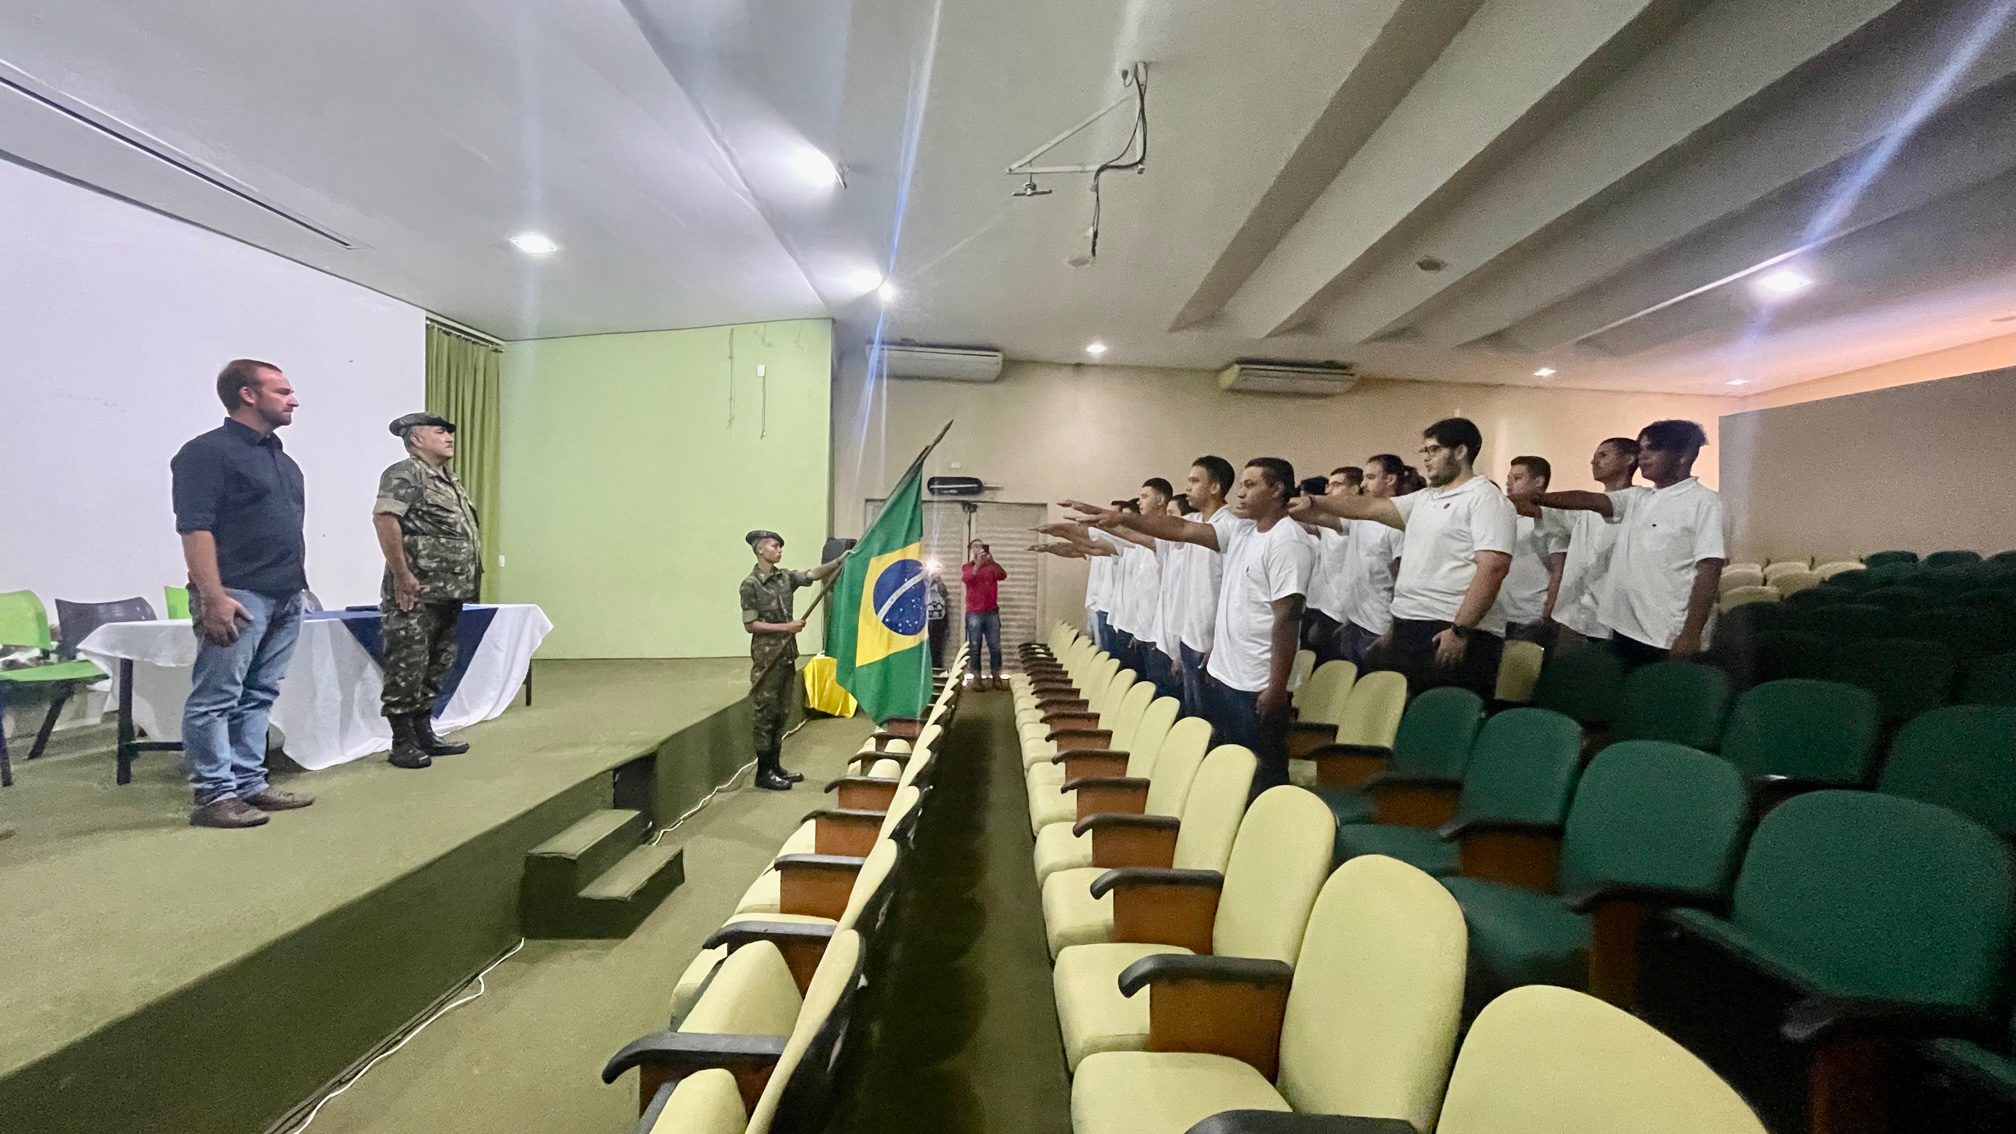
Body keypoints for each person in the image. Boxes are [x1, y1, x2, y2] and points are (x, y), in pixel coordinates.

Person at [1069, 457, 1314, 795]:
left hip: (1257, 680)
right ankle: (1232, 830)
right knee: (1231, 764)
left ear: (1277, 489)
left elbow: (1287, 619)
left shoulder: (1288, 542)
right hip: (1228, 671)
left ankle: (1275, 837)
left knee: (1263, 773)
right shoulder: (1243, 531)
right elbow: (1182, 529)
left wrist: (1276, 687)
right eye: (1241, 484)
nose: (1239, 494)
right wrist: (1119, 519)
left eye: (1250, 485)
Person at [169, 359, 314, 828]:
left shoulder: (282, 460)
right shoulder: (206, 453)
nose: (293, 399)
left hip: (286, 595)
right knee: (216, 697)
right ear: (247, 395)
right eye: (282, 391)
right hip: (237, 593)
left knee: (260, 693)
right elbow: (196, 529)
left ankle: (249, 783)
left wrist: (300, 589)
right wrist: (212, 597)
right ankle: (214, 795)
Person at [1295, 417, 1515, 698]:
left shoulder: (1484, 498)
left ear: (1460, 451)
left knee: (1441, 719)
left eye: (1434, 450)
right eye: (1425, 451)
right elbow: (1370, 507)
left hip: (1451, 629)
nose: (1426, 458)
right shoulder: (1425, 498)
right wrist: (1314, 501)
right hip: (1410, 624)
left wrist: (1461, 630)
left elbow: (1494, 568)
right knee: (1403, 716)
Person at [1516, 420, 1725, 667]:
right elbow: (1592, 500)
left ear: (1683, 456)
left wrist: (1690, 634)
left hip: (1666, 635)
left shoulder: (1705, 502)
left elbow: (1709, 571)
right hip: (1625, 630)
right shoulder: (1640, 497)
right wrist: (1538, 498)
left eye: (1653, 449)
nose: (1642, 456)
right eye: (1641, 449)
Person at [372, 413, 483, 769]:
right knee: (408, 663)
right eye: (440, 432)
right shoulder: (406, 473)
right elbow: (385, 519)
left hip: (448, 591)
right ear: (416, 439)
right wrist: (402, 575)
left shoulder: (450, 482)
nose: (449, 436)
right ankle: (402, 741)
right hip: (415, 591)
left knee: (437, 664)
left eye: (450, 432)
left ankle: (424, 731)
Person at [741, 531, 847, 789]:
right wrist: (786, 627)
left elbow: (811, 574)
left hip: (787, 654)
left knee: (781, 713)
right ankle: (763, 772)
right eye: (774, 546)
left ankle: (776, 766)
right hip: (768, 658)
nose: (779, 550)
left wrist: (838, 562)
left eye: (780, 546)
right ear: (760, 550)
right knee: (765, 715)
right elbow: (750, 624)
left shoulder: (784, 577)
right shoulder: (750, 584)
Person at [1526, 437, 1643, 646]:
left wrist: (1536, 496)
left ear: (1629, 459)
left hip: (1616, 622)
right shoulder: (1583, 512)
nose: (1594, 462)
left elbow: (1589, 501)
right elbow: (1541, 512)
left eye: (1603, 455)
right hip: (1575, 618)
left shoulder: (1641, 501)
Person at [1312, 453, 1406, 664]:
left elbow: (1402, 583)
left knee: (1372, 690)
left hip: (1377, 626)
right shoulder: (1361, 516)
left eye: (1370, 477)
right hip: (1352, 621)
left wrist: (1392, 630)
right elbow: (1319, 519)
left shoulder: (1396, 524)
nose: (1364, 484)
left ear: (1390, 480)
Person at [1496, 456, 1566, 642]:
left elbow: (1558, 569)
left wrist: (1548, 612)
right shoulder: (1505, 518)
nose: (1509, 484)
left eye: (1517, 478)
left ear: (1538, 481)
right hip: (1498, 616)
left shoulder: (1549, 520)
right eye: (1509, 478)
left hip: (1530, 618)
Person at [962, 539, 1009, 689]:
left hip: (991, 612)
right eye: (976, 546)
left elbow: (1003, 575)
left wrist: (992, 561)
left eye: (981, 546)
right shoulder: (967, 567)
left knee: (995, 646)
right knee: (975, 646)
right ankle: (976, 678)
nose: (979, 549)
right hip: (974, 613)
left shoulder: (991, 568)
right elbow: (969, 579)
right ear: (970, 550)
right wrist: (979, 565)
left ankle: (996, 677)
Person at [924, 561, 951, 672]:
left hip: (939, 618)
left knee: (937, 646)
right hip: (924, 619)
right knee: (926, 646)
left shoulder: (939, 584)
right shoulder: (921, 583)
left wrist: (938, 579)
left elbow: (944, 593)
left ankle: (936, 669)